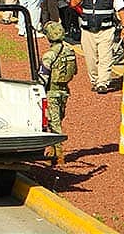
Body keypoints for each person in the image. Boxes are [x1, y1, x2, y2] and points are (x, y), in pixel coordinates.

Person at [69, 0, 124, 94]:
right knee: (90, 60)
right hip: (87, 30)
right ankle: (95, 81)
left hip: (106, 30)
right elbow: (73, 3)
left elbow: (121, 10)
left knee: (105, 57)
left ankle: (103, 82)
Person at [40, 21, 77, 165]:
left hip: (51, 92)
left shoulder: (49, 55)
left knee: (54, 124)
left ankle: (59, 155)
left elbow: (43, 75)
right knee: (58, 120)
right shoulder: (70, 51)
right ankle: (54, 150)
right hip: (64, 91)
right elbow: (74, 71)